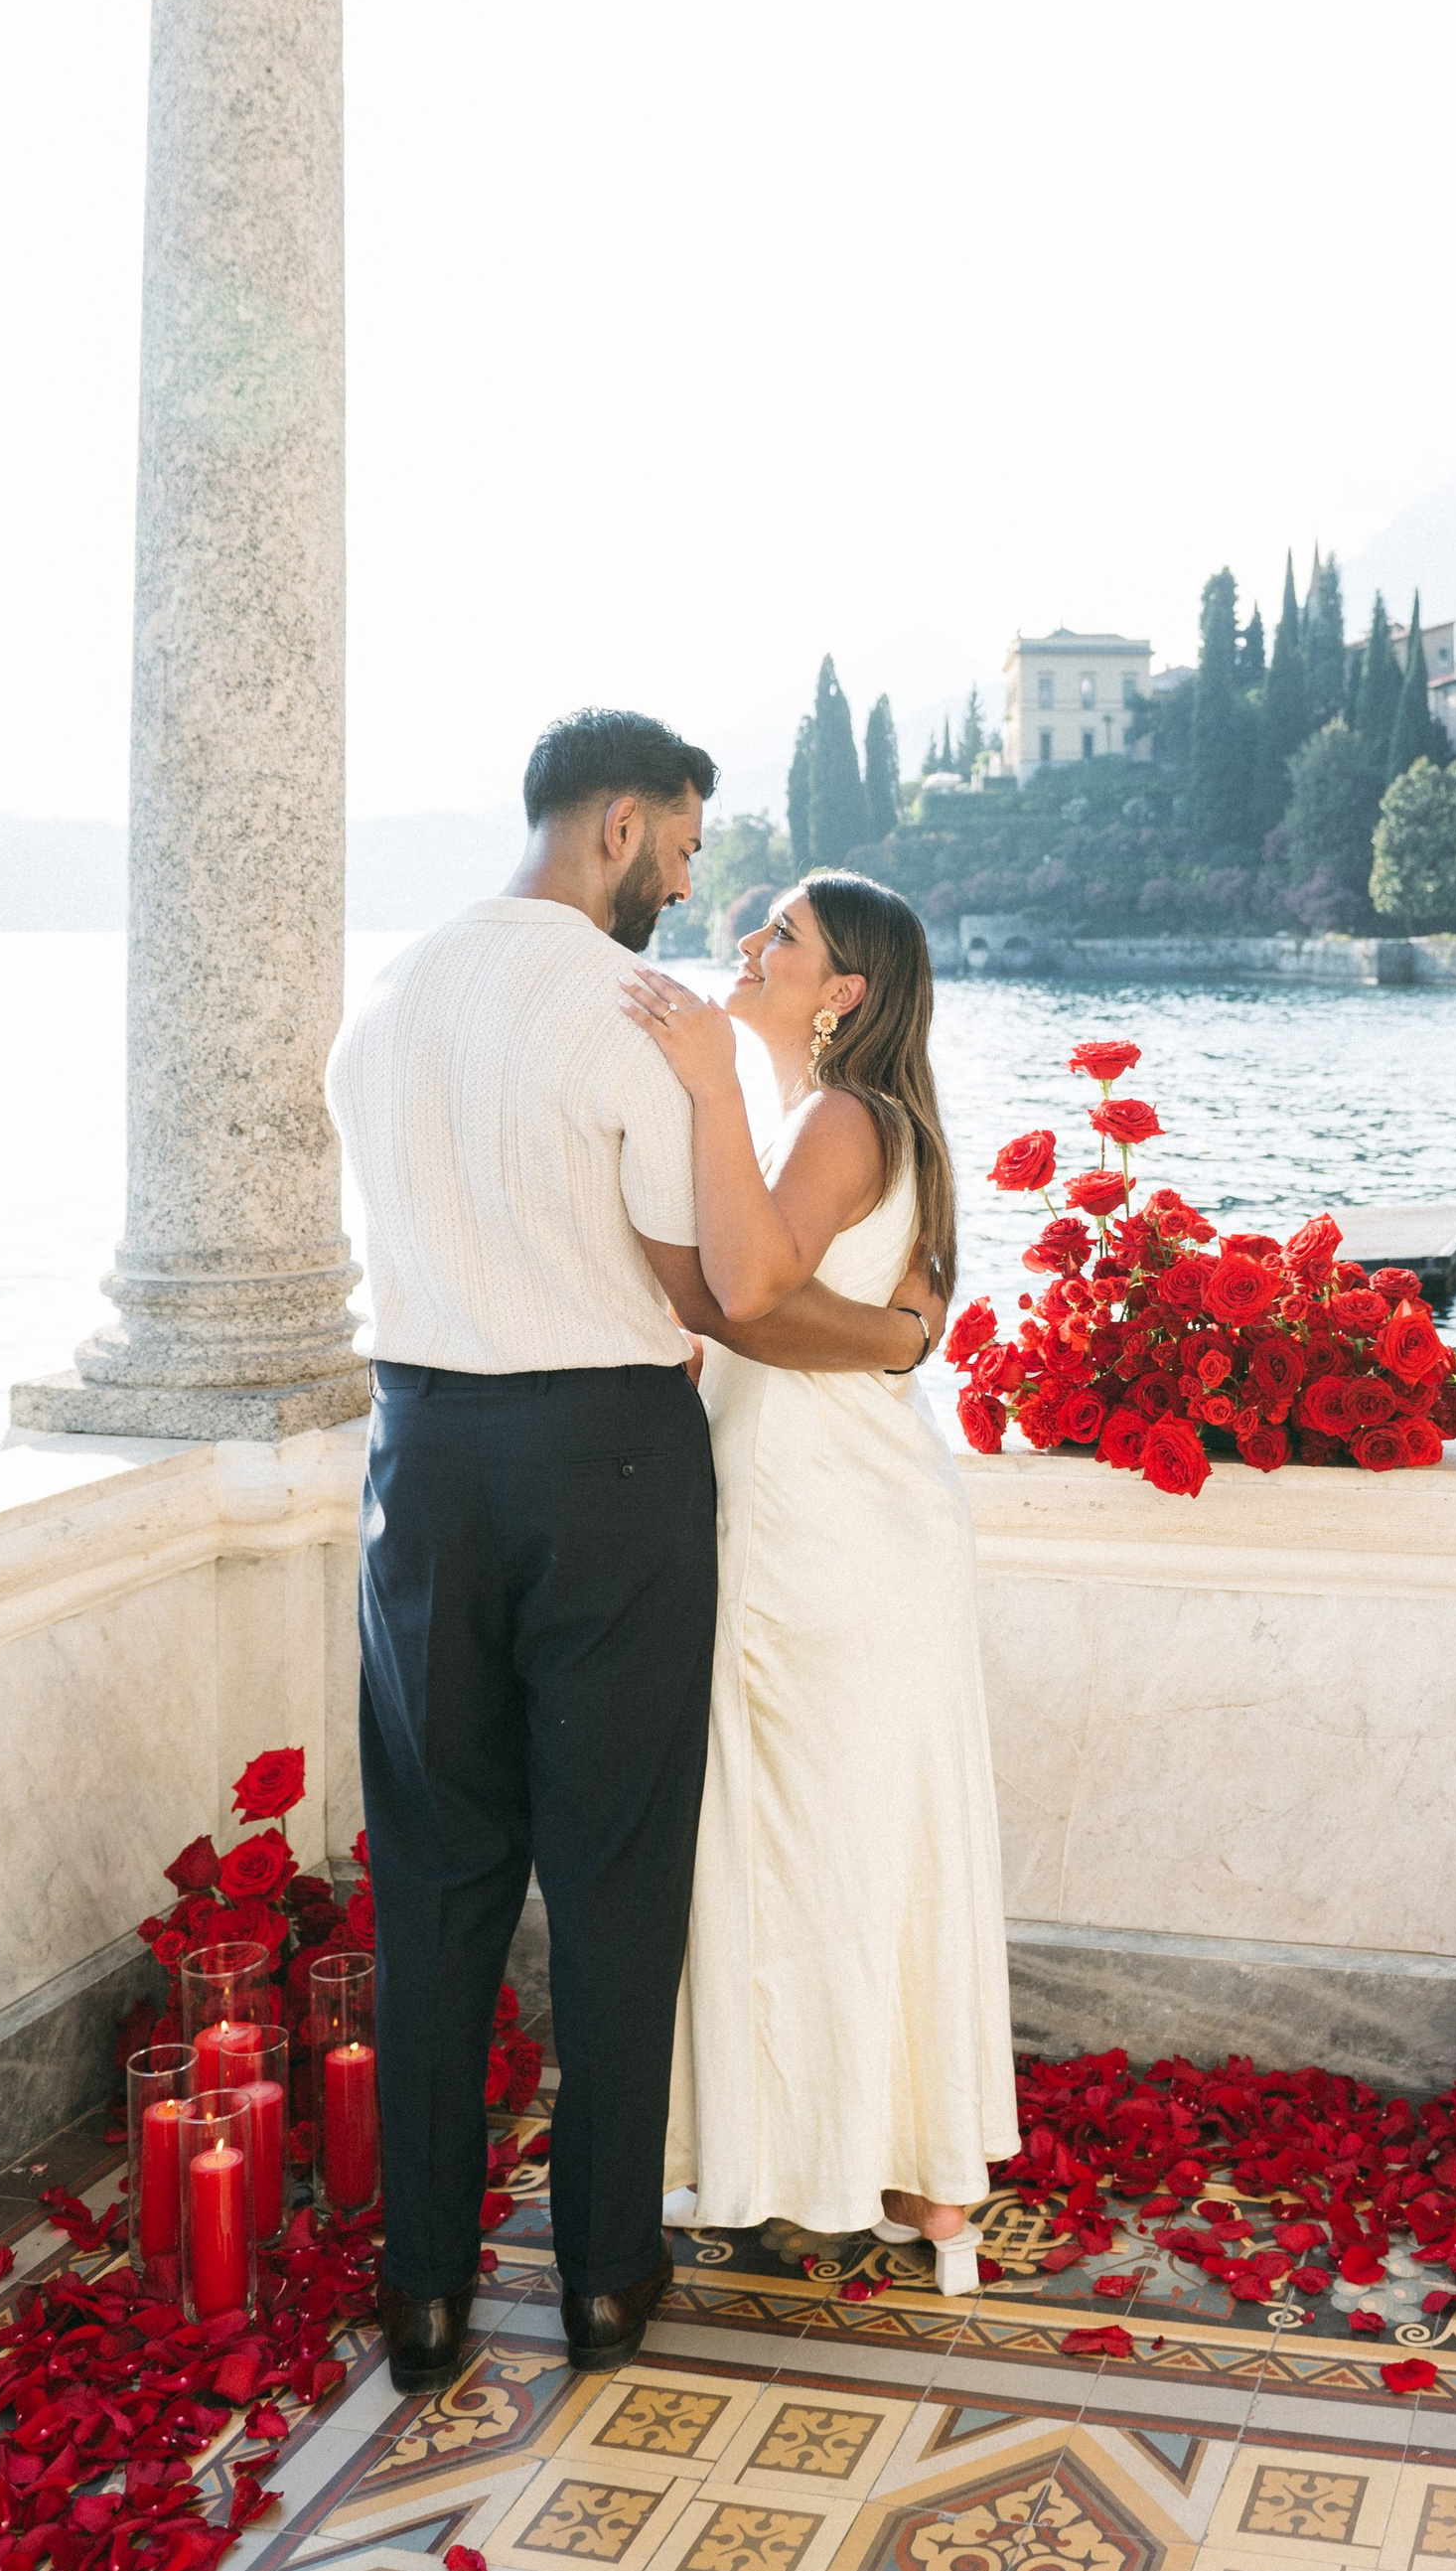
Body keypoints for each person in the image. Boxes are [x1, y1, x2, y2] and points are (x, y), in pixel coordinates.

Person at [326, 716, 940, 2394]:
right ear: (615, 825)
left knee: (435, 1889)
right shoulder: (617, 1018)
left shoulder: (380, 1012)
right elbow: (707, 1292)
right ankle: (602, 2279)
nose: (684, 884)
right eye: (675, 849)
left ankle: (428, 2296)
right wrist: (897, 1336)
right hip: (605, 1467)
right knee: (615, 1881)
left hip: (423, 1465)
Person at [621, 870, 1017, 2286]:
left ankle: (849, 2170)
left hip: (824, 1532)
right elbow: (756, 1309)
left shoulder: (838, 1119)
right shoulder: (839, 1119)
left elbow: (748, 1295)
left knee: (815, 1848)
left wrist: (705, 1083)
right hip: (833, 1517)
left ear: (843, 991)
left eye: (781, 933)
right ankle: (901, 2184)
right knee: (844, 1845)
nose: (748, 941)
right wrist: (892, 1338)